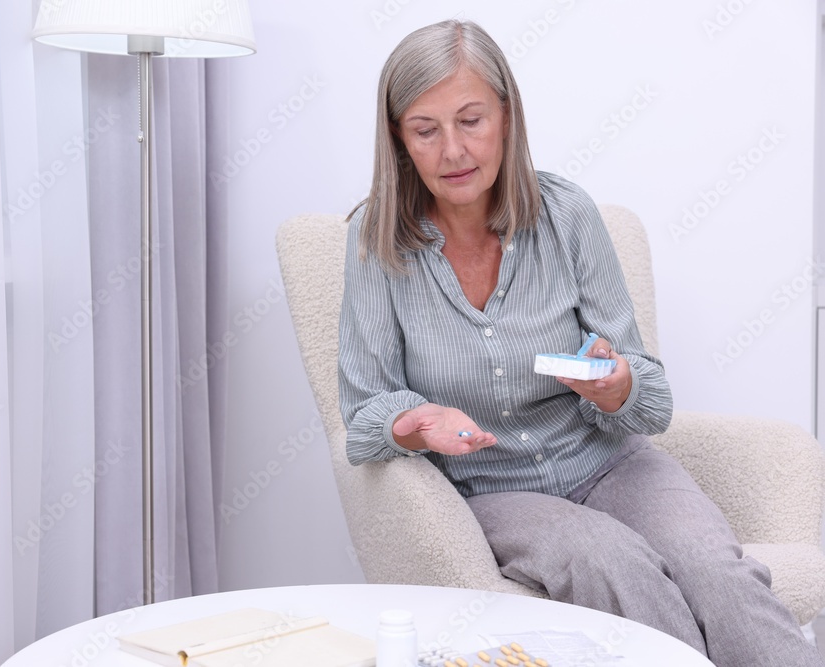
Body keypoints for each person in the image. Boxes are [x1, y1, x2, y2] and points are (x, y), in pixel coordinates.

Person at [338, 18, 824, 667]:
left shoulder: (568, 216)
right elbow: (363, 415)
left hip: (614, 462)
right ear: (399, 137)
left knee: (717, 574)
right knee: (614, 565)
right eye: (426, 129)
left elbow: (652, 402)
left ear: (507, 117)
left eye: (472, 120)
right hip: (494, 488)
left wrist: (617, 384)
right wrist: (419, 421)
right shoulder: (377, 241)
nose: (453, 149)